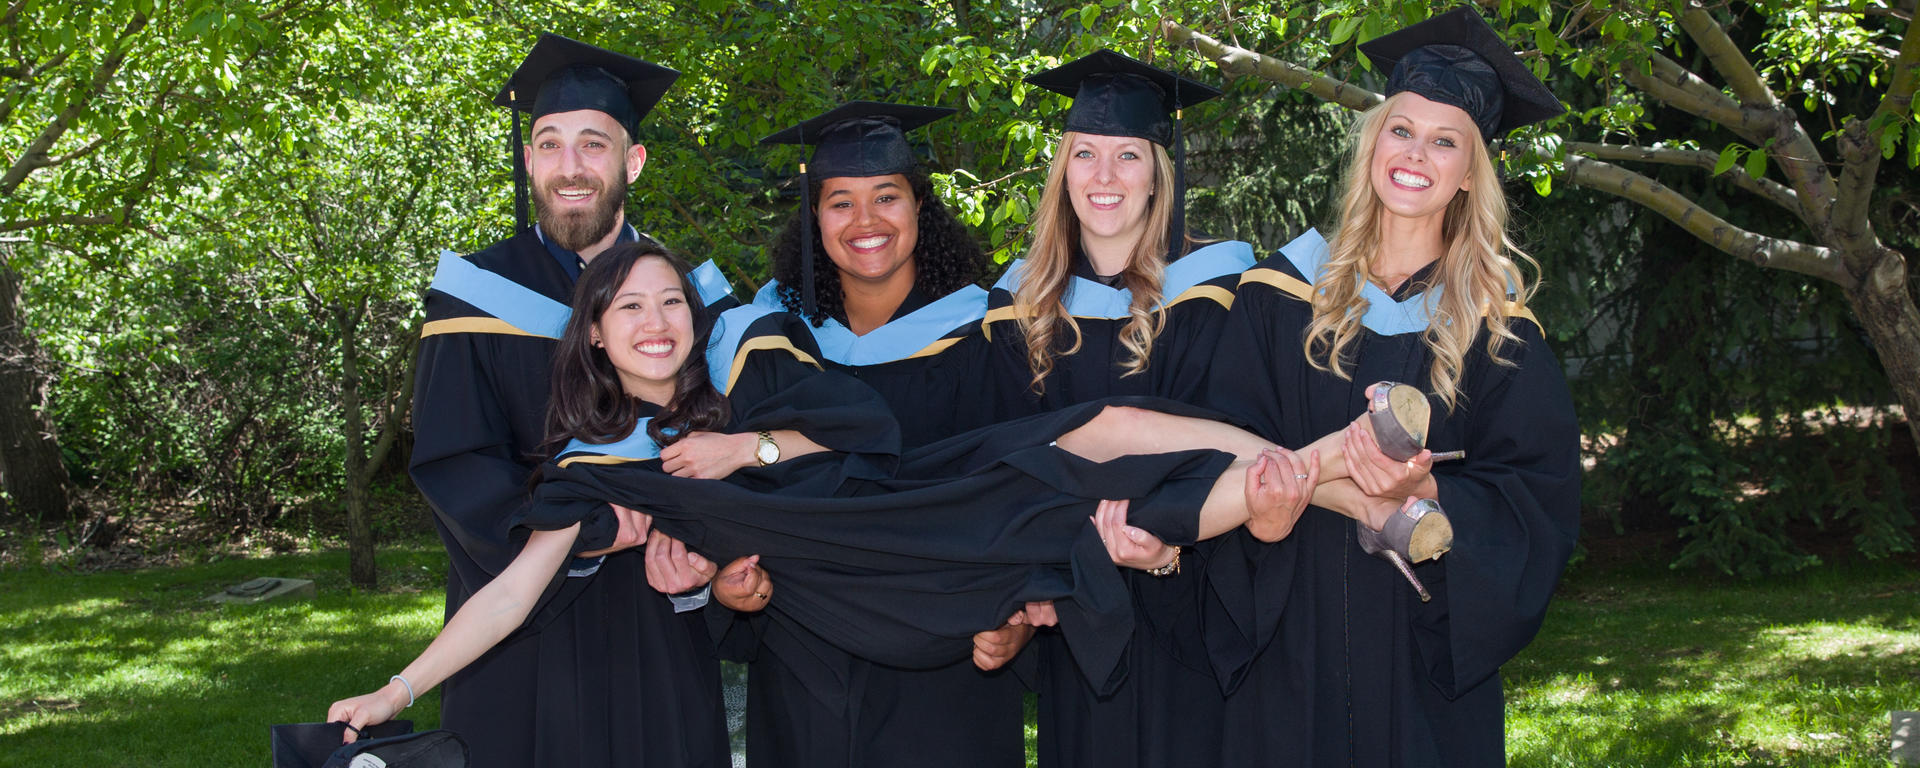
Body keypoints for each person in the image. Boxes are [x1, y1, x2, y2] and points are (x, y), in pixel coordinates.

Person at [336, 242, 1317, 745]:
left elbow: (866, 430)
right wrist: (400, 686)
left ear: (692, 313)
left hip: (898, 498)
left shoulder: (740, 388)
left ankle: (1317, 466)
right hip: (866, 581)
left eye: (670, 300)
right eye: (627, 307)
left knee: (1095, 431)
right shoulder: (595, 470)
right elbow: (511, 590)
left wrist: (744, 450)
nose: (655, 320)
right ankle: (1327, 477)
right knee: (1091, 524)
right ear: (593, 336)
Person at [1202, 8, 1581, 764]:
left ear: (1470, 173)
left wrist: (1430, 495)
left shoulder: (1496, 324)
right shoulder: (1278, 291)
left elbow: (1536, 494)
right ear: (1373, 143)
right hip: (1289, 644)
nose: (1417, 154)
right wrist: (1291, 502)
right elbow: (1218, 441)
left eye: (1446, 141)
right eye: (1401, 129)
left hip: (1420, 665)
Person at [404, 33, 732, 767]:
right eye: (549, 145)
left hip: (662, 619)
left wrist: (707, 545)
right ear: (529, 162)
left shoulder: (689, 301)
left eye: (593, 144)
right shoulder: (474, 299)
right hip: (524, 638)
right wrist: (581, 530)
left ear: (632, 162)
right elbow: (455, 462)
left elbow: (735, 445)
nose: (569, 168)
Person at [980, 48, 1270, 768]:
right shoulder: (1013, 311)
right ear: (1062, 172)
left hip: (1196, 619)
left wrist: (1170, 549)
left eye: (1128, 156)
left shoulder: (1222, 293)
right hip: (1074, 624)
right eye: (1085, 154)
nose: (1104, 176)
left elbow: (1248, 441)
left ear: (1157, 176)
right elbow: (1002, 461)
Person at [715, 101, 1021, 768]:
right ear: (813, 217)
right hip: (803, 657)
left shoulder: (986, 335)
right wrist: (727, 580)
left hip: (946, 659)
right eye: (839, 202)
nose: (865, 221)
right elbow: (737, 501)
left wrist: (1018, 616)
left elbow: (1021, 491)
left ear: (920, 207)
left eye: (886, 196)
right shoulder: (774, 346)